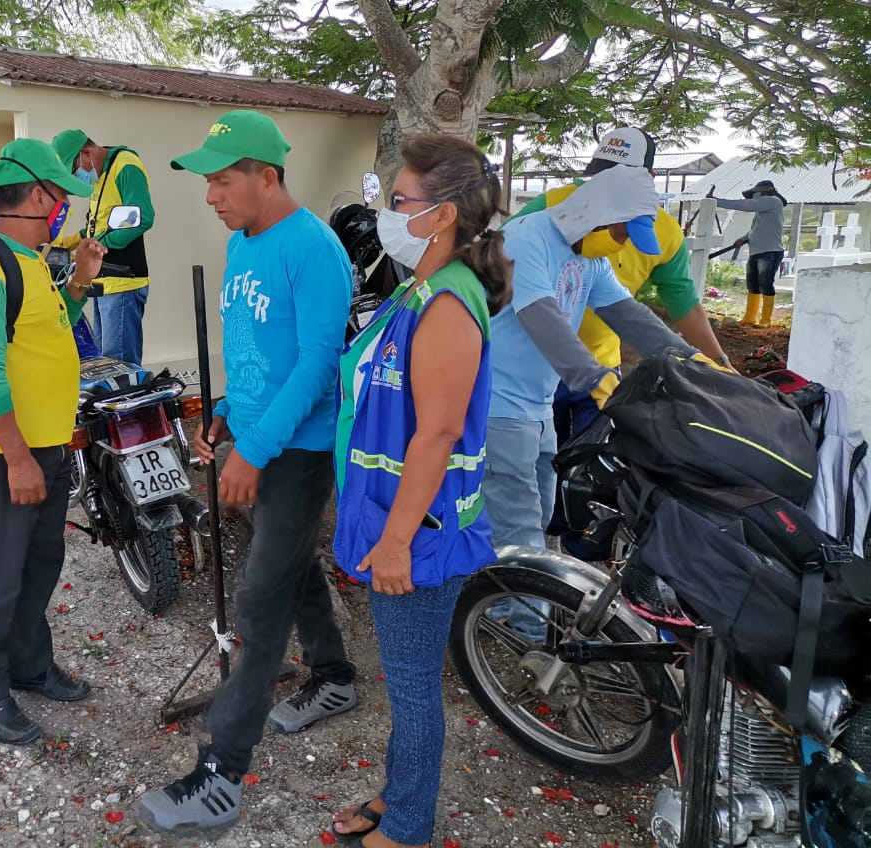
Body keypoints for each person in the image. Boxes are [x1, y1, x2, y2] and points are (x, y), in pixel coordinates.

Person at [136, 111, 357, 834]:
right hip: (257, 433)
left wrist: (256, 450)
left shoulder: (314, 249)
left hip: (297, 449)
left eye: (223, 181)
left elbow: (319, 363)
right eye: (207, 182)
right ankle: (335, 675)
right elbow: (256, 346)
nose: (211, 196)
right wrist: (227, 412)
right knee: (291, 566)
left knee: (260, 600)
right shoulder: (241, 244)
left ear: (267, 176)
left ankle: (221, 773)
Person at [329, 135, 512, 848]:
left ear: (442, 215)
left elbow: (436, 434)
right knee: (405, 682)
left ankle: (407, 827)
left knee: (411, 690)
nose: (387, 213)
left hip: (418, 531)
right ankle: (398, 793)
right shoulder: (420, 287)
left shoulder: (447, 305)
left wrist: (396, 541)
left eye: (398, 200)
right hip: (393, 516)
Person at [487, 164, 723, 637]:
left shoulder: (589, 258)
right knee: (519, 517)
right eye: (620, 234)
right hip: (497, 400)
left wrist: (697, 363)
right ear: (593, 214)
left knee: (538, 509)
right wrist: (596, 379)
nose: (621, 247)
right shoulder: (526, 239)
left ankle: (500, 599)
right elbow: (541, 317)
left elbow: (629, 315)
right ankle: (529, 633)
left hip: (537, 401)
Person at [0, 138, 104, 745]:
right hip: (3, 456)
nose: (66, 208)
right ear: (39, 196)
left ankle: (29, 664)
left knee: (40, 563)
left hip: (48, 448)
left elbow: (47, 330)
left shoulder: (30, 258)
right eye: (62, 196)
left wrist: (81, 282)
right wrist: (17, 458)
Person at [513, 127, 733, 436]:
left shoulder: (648, 236)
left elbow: (647, 309)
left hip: (601, 363)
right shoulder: (539, 219)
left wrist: (709, 363)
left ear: (647, 178)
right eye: (603, 175)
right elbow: (530, 306)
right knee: (532, 454)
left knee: (589, 457)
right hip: (533, 370)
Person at [49, 129, 154, 364]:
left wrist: (98, 246)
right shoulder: (99, 177)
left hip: (122, 281)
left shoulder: (125, 166)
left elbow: (143, 217)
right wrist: (68, 243)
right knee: (102, 363)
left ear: (86, 153)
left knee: (120, 365)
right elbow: (98, 226)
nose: (76, 177)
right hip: (100, 282)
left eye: (73, 170)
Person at [714, 179, 788, 327]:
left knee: (765, 283)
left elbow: (747, 205)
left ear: (764, 192)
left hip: (770, 251)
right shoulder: (761, 213)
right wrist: (743, 239)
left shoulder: (773, 201)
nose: (754, 197)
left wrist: (718, 202)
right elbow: (755, 230)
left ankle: (765, 320)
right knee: (753, 284)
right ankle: (750, 317)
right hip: (756, 251)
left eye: (756, 194)